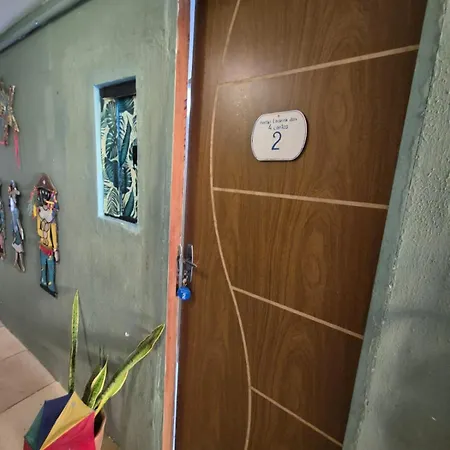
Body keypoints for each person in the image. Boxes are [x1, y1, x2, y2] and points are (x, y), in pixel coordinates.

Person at [8, 181, 25, 272]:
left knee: (17, 247)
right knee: (19, 247)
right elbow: (17, 220)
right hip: (16, 229)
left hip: (15, 228)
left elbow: (18, 193)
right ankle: (20, 263)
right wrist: (21, 229)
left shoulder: (13, 208)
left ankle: (16, 262)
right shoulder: (14, 210)